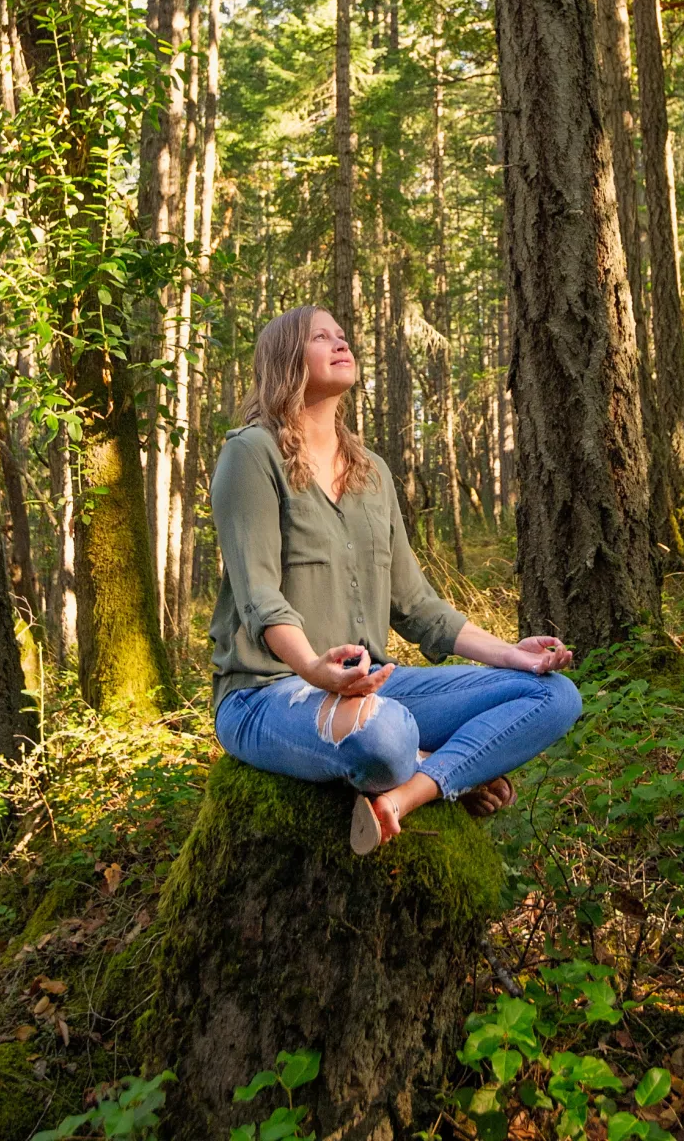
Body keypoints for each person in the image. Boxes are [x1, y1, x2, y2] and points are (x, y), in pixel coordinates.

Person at [208, 303, 582, 854]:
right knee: (385, 737)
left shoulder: (372, 472)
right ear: (286, 358)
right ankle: (447, 765)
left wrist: (514, 655)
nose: (341, 343)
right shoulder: (250, 454)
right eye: (320, 337)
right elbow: (260, 597)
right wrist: (315, 669)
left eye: (342, 335)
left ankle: (411, 793)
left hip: (377, 685)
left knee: (554, 696)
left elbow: (418, 606)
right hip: (266, 696)